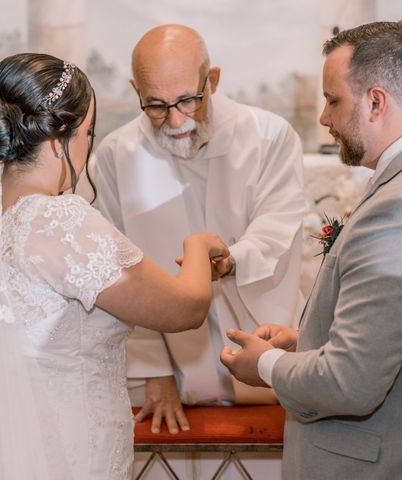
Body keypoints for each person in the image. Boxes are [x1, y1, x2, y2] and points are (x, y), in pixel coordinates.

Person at [0, 52, 229, 480]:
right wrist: (199, 246)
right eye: (88, 133)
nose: (88, 146)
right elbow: (185, 309)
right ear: (57, 139)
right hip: (65, 452)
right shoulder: (61, 220)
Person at [221, 20, 402, 479]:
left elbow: (348, 382)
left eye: (333, 100)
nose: (324, 118)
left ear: (375, 101)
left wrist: (267, 365)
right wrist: (309, 343)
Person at [91, 24, 305, 441]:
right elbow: (117, 270)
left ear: (213, 80)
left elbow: (278, 228)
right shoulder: (116, 157)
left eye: (188, 100)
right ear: (136, 90)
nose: (175, 120)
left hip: (264, 340)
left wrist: (231, 261)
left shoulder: (270, 137)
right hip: (171, 363)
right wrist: (153, 368)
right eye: (155, 105)